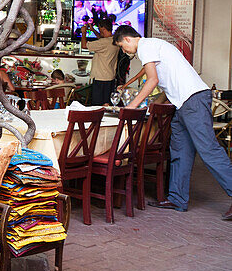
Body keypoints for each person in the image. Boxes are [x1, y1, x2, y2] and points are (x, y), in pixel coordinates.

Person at [114, 27, 232, 220]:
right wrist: (150, 107)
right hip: (183, 104)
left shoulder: (146, 46)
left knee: (209, 150)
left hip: (193, 101)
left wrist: (131, 107)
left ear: (127, 40)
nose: (125, 52)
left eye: (122, 47)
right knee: (180, 151)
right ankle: (177, 198)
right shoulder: (154, 47)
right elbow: (164, 86)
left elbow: (152, 80)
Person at [82, 18, 118, 105]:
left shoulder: (103, 43)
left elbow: (84, 45)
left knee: (97, 104)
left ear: (103, 29)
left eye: (99, 29)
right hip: (110, 77)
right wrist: (93, 29)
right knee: (107, 103)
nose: (99, 31)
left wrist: (84, 32)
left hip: (100, 79)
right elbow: (101, 38)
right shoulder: (114, 40)